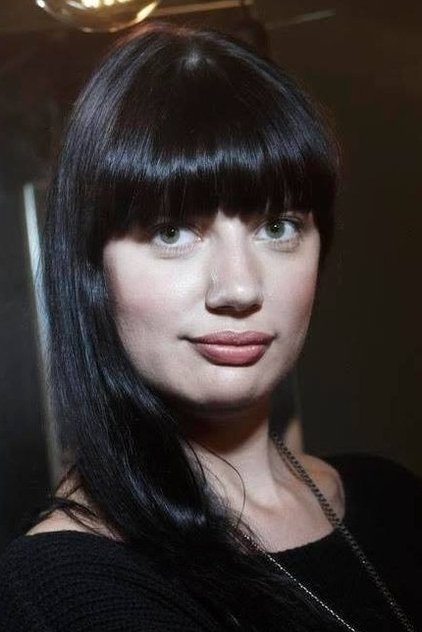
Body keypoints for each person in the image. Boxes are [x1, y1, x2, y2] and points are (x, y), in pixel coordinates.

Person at [0, 21, 420, 632]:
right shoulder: (67, 586)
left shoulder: (393, 500)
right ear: (92, 268)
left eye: (277, 227)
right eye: (172, 232)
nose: (239, 289)